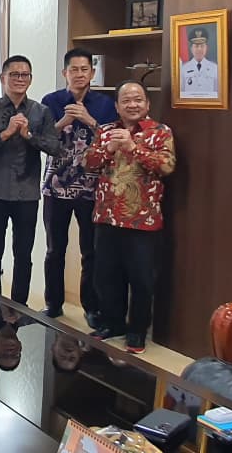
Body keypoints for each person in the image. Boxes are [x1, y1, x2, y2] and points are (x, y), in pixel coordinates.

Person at [84, 81, 175, 354]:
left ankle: (137, 331)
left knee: (141, 279)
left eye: (138, 100)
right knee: (106, 276)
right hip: (106, 216)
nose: (132, 105)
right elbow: (89, 163)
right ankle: (113, 323)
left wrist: (133, 147)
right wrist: (109, 149)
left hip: (142, 219)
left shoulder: (160, 132)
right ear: (117, 106)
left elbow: (167, 166)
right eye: (126, 100)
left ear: (147, 104)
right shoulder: (105, 131)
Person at [40, 48, 118, 324]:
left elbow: (112, 140)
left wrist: (88, 120)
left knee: (91, 250)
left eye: (85, 69)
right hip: (56, 184)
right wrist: (65, 121)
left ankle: (91, 307)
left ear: (92, 73)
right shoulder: (51, 101)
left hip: (92, 186)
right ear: (65, 73)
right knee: (54, 249)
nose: (79, 74)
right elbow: (42, 140)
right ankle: (53, 303)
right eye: (74, 69)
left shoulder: (105, 103)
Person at [0, 56, 60, 304]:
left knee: (23, 254)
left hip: (27, 192)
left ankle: (19, 306)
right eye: (14, 74)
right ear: (3, 78)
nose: (20, 79)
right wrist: (6, 133)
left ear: (30, 80)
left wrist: (28, 135)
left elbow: (55, 147)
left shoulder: (41, 111)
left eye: (25, 75)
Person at [179, 26, 219, 96]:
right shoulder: (183, 69)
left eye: (202, 46)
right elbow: (180, 93)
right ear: (191, 48)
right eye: (196, 46)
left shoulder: (215, 68)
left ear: (206, 48)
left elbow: (218, 93)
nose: (199, 49)